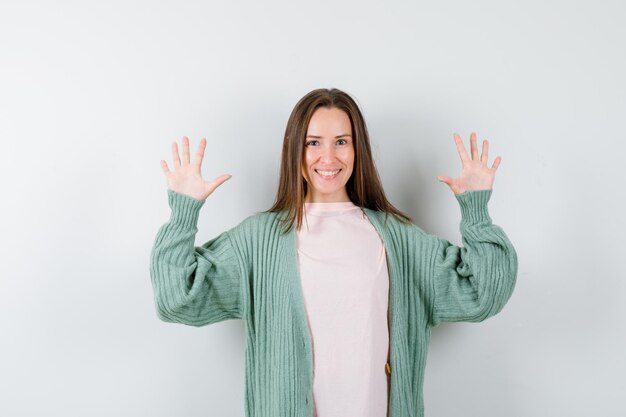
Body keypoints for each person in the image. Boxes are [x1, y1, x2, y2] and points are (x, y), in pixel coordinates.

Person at [150, 88, 518, 417]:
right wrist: (184, 212)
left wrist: (476, 211)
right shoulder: (257, 242)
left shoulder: (398, 239)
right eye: (313, 143)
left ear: (358, 149)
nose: (328, 156)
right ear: (295, 149)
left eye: (341, 141)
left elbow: (483, 293)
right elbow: (176, 298)